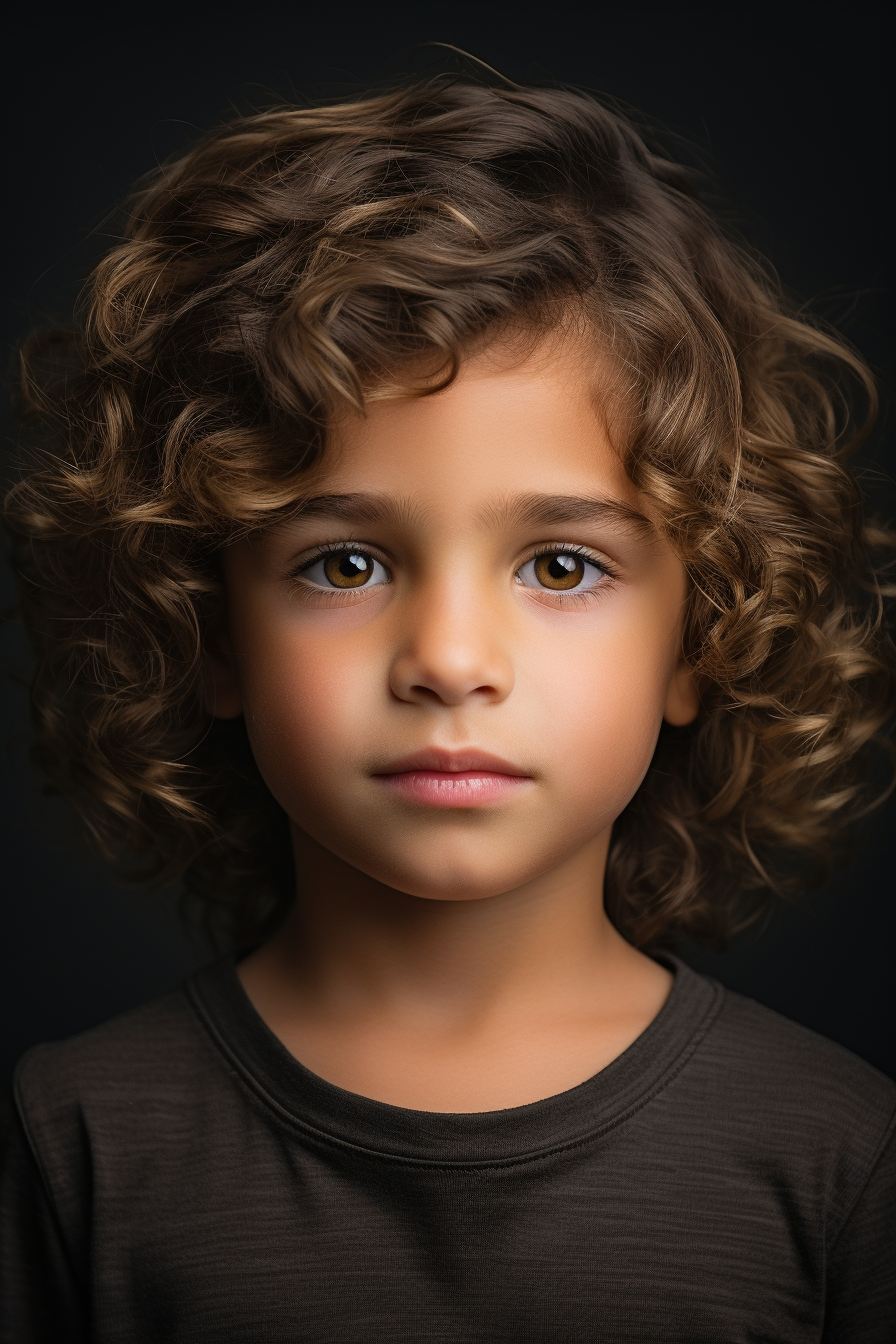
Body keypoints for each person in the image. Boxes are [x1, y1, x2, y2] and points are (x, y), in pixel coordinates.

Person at [1, 74, 894, 1342]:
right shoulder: (73, 1143)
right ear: (207, 631)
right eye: (344, 564)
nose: (450, 659)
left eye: (560, 567)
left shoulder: (837, 1156)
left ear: (699, 638)